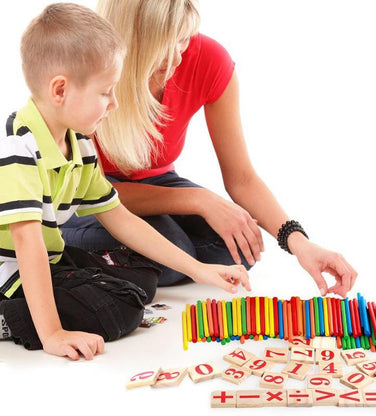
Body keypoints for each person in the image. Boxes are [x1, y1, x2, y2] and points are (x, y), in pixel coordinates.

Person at [0, 3, 250, 361]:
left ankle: (66, 298)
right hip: (9, 275)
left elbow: (121, 218)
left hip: (49, 258)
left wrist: (201, 270)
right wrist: (53, 334)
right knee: (119, 311)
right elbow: (27, 244)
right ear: (60, 91)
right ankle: (10, 319)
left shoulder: (79, 145)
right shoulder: (17, 148)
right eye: (105, 93)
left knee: (143, 283)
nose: (114, 103)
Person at [62, 0, 357, 298]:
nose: (178, 56)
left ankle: (166, 261)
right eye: (166, 42)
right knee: (173, 250)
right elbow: (90, 190)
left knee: (239, 247)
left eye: (184, 38)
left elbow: (242, 178)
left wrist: (298, 242)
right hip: (84, 197)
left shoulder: (209, 60)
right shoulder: (93, 69)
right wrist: (198, 199)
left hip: (157, 184)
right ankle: (64, 251)